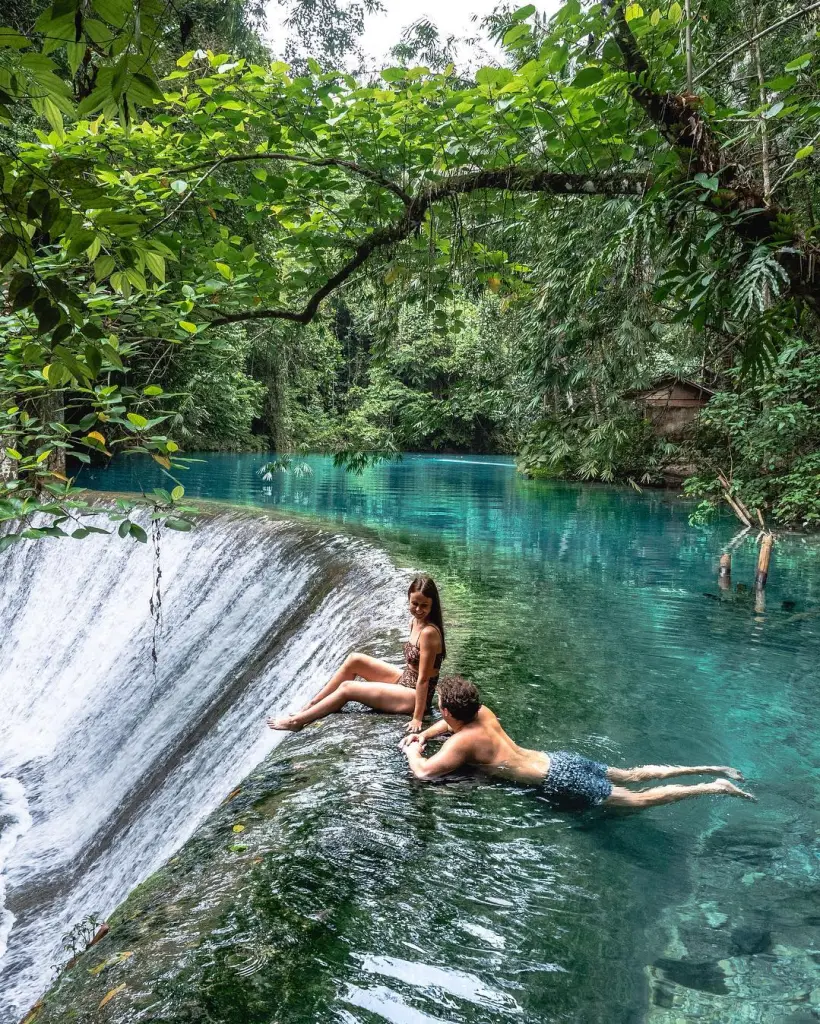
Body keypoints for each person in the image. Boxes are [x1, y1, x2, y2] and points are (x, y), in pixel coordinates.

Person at [399, 676, 755, 810]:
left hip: (558, 780)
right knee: (632, 776)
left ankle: (713, 786)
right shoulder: (483, 714)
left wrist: (414, 749)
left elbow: (425, 773)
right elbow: (448, 727)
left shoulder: (463, 743)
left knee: (637, 801)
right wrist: (426, 733)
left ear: (446, 710)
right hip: (560, 760)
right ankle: (710, 767)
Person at [267, 574, 446, 734]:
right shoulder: (414, 622)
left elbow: (423, 679)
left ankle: (297, 721)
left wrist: (417, 717)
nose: (418, 609)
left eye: (424, 606)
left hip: (415, 695)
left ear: (432, 605)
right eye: (414, 603)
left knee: (348, 688)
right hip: (406, 680)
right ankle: (310, 707)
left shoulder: (429, 633)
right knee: (355, 660)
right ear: (408, 599)